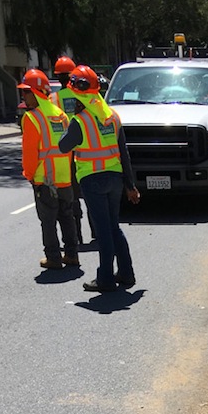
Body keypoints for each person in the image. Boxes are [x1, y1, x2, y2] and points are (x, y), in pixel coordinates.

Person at [59, 65, 140, 294]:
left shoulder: (80, 121)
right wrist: (130, 185)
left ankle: (105, 278)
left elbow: (64, 146)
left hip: (92, 180)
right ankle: (126, 273)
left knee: (103, 230)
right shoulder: (112, 117)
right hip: (114, 179)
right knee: (113, 226)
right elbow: (124, 153)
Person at [17, 68, 79, 270]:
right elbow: (68, 148)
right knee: (67, 217)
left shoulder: (32, 118)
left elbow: (30, 153)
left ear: (35, 93)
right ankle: (71, 255)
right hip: (64, 177)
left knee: (48, 221)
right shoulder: (60, 115)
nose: (23, 96)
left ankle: (53, 257)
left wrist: (29, 174)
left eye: (26, 92)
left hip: (45, 179)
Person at [49, 55, 87, 244]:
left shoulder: (54, 98)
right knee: (88, 193)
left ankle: (77, 235)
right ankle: (96, 233)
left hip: (66, 152)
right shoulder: (82, 95)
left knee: (71, 196)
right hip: (86, 149)